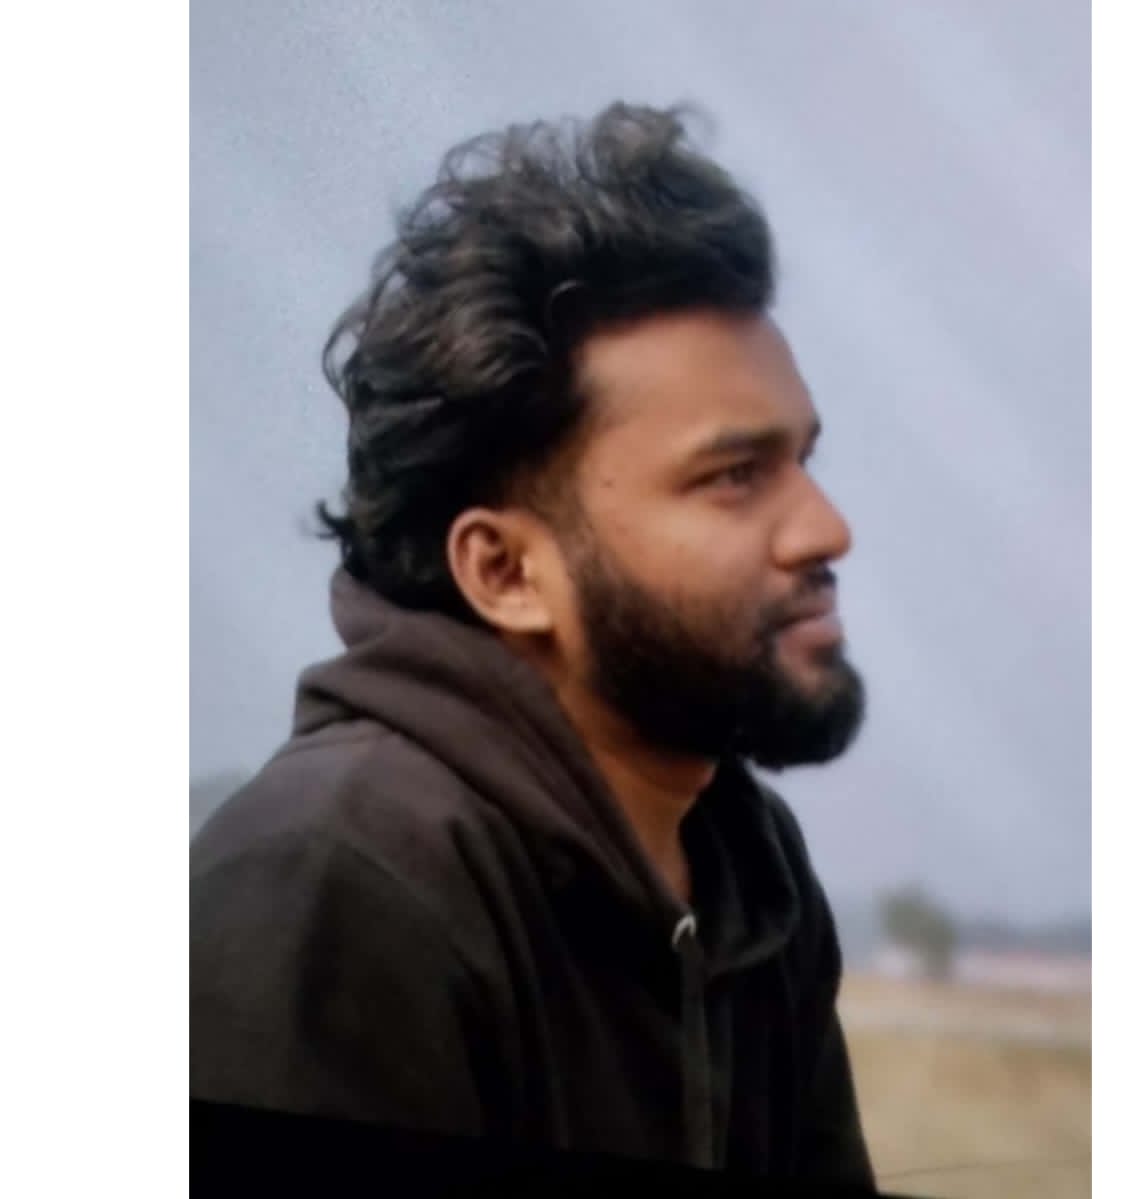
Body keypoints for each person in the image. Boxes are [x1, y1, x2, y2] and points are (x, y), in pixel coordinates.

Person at [190, 101, 874, 1188]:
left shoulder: (747, 868)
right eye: (734, 475)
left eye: (802, 459)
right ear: (507, 571)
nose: (825, 528)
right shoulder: (333, 884)